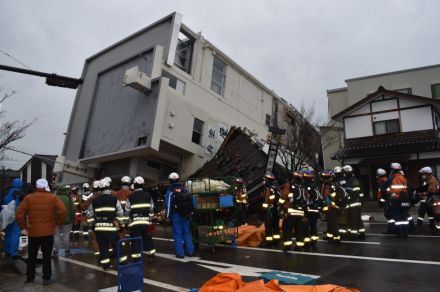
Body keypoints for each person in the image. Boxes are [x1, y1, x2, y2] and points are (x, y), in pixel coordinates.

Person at [16, 179, 66, 285]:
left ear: (37, 187)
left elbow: (19, 213)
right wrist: (58, 222)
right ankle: (46, 279)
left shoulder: (29, 198)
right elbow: (62, 210)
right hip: (48, 232)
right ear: (45, 187)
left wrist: (24, 226)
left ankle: (30, 278)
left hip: (33, 232)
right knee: (47, 256)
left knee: (32, 256)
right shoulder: (53, 197)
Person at [87, 178, 127, 270]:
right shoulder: (114, 199)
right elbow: (120, 213)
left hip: (99, 229)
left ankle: (106, 265)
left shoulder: (95, 201)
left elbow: (89, 214)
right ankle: (123, 263)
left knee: (103, 247)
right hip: (111, 228)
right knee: (117, 245)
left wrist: (92, 225)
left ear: (100, 189)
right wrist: (121, 225)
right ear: (108, 187)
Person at [164, 172, 195, 258]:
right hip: (186, 214)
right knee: (187, 233)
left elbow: (168, 204)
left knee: (178, 234)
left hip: (176, 215)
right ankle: (190, 251)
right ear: (178, 179)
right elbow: (190, 201)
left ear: (170, 180)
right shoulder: (185, 188)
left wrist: (167, 216)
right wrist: (191, 212)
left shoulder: (170, 190)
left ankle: (180, 253)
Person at [125, 176, 155, 261]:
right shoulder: (148, 195)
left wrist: (126, 222)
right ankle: (151, 256)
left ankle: (136, 258)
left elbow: (127, 211)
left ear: (134, 185)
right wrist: (150, 218)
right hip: (145, 222)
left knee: (135, 241)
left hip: (135, 223)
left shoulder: (130, 197)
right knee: (148, 239)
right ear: (143, 185)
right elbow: (151, 208)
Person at [281, 171, 307, 251]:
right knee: (299, 229)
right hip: (300, 212)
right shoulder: (303, 187)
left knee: (287, 229)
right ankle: (299, 246)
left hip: (290, 211)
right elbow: (306, 198)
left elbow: (284, 196)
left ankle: (287, 245)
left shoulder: (289, 185)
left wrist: (281, 205)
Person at [2, 178, 23, 259]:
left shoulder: (7, 192)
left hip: (6, 214)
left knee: (8, 233)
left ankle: (6, 250)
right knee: (15, 233)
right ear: (20, 184)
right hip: (15, 214)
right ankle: (14, 253)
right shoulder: (19, 192)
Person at [387, 162, 410, 238]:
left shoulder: (391, 178)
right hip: (405, 199)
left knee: (398, 217)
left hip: (396, 200)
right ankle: (405, 233)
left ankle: (400, 233)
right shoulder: (403, 178)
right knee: (404, 216)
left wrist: (389, 192)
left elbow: (385, 188)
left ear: (393, 170)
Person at [343, 165, 365, 240]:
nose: (344, 174)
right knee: (358, 219)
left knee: (352, 220)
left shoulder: (353, 180)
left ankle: (353, 235)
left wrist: (349, 198)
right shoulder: (349, 180)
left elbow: (356, 191)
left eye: (345, 172)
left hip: (353, 203)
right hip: (356, 203)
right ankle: (361, 234)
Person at [302, 169, 322, 250]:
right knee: (313, 227)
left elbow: (304, 199)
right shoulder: (315, 186)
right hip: (315, 210)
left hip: (308, 209)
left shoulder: (304, 186)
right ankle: (314, 244)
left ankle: (307, 244)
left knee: (306, 227)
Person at [53, 186, 75, 257]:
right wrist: (72, 219)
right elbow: (72, 210)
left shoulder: (54, 198)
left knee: (56, 236)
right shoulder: (69, 198)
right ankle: (67, 252)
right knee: (66, 236)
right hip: (67, 221)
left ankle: (56, 252)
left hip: (56, 220)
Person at [261, 174, 281, 246]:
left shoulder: (268, 188)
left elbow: (266, 199)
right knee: (276, 226)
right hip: (276, 209)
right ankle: (276, 241)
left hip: (269, 210)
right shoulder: (277, 187)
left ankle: (268, 242)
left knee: (269, 226)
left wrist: (265, 208)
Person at [416, 167, 439, 232]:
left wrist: (422, 193)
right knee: (429, 213)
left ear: (427, 174)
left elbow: (431, 191)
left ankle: (434, 228)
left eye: (423, 174)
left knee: (434, 214)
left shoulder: (431, 180)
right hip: (427, 201)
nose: (422, 175)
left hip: (432, 201)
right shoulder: (427, 180)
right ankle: (432, 226)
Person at [376, 168, 394, 234]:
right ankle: (391, 228)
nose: (377, 176)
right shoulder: (381, 181)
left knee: (388, 215)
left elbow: (384, 192)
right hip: (385, 201)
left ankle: (391, 229)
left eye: (377, 175)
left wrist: (382, 201)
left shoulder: (384, 181)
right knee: (388, 215)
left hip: (386, 201)